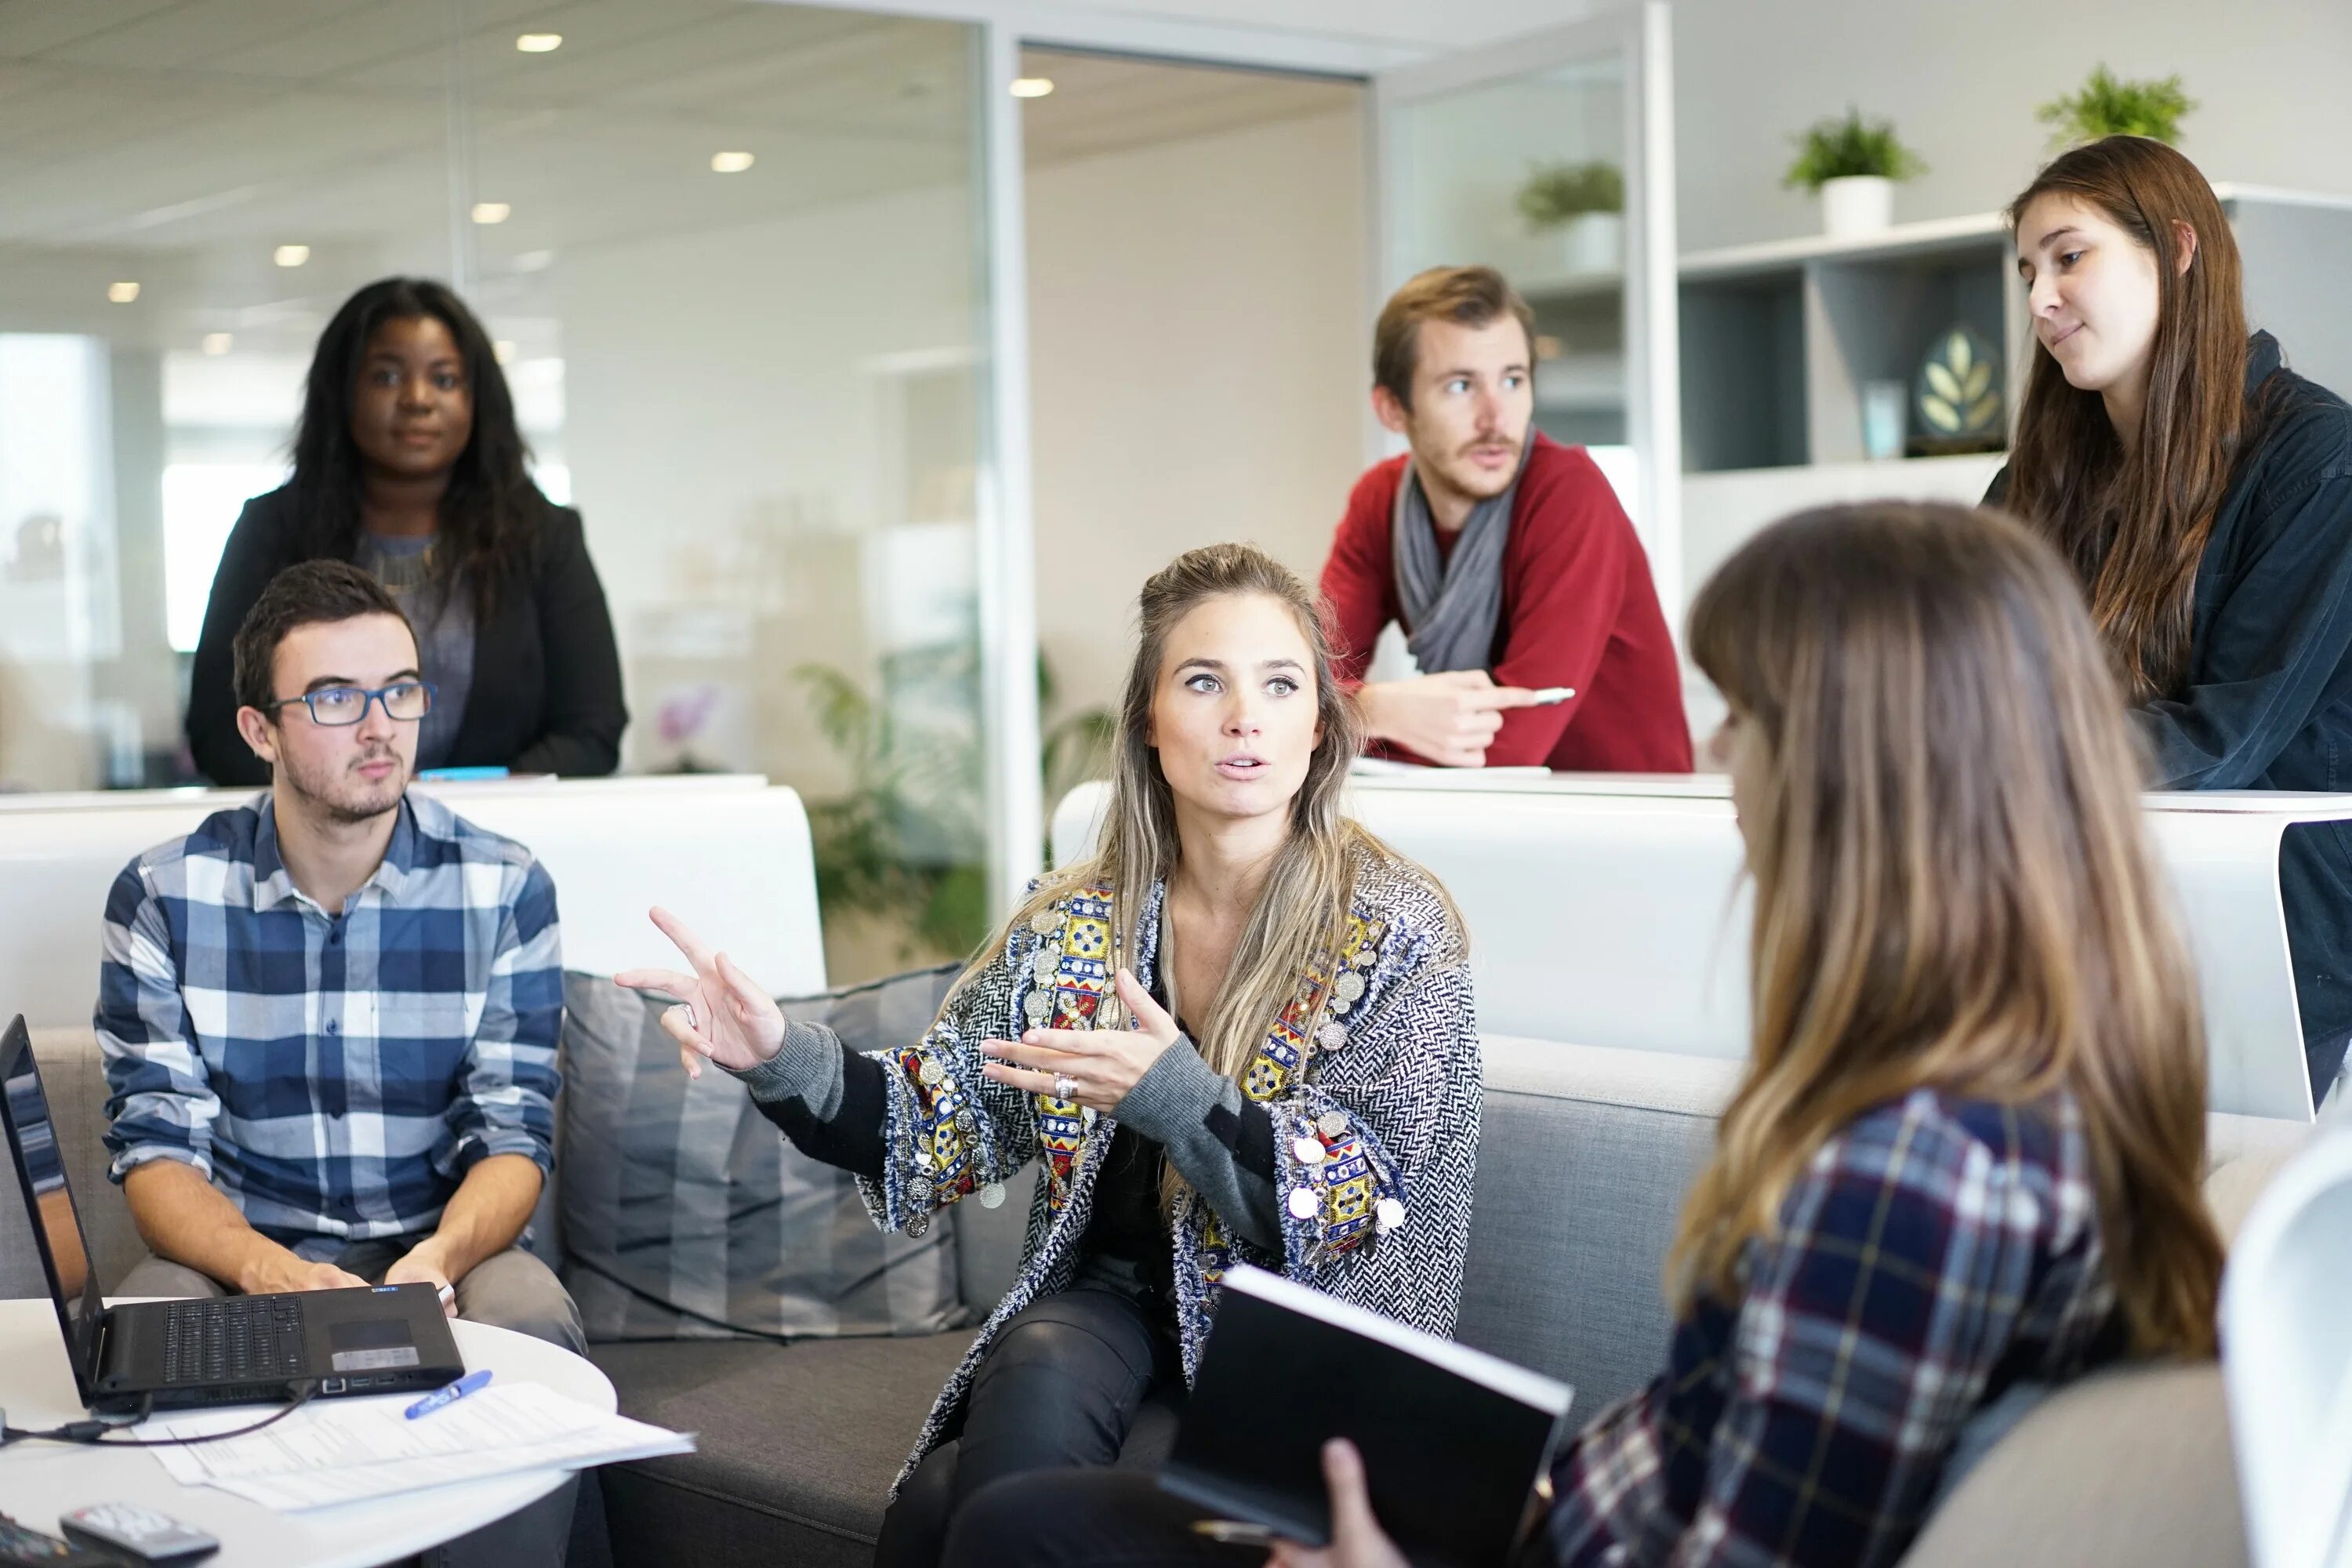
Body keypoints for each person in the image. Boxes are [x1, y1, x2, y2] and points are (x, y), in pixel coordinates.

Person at [953, 503, 2225, 1568]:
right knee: (1006, 1513)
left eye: (1749, 717)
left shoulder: (1910, 1174)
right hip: (1548, 1518)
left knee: (1022, 1535)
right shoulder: (2011, 1091)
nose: (1721, 756)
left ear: (1866, 772)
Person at [619, 543, 1481, 1566]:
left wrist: (1172, 1094)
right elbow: (928, 1121)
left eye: (1280, 684)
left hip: (1302, 1352)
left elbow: (1354, 1203)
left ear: (1319, 728)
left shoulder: (1396, 928)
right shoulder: (1079, 924)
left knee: (950, 1502)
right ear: (1151, 725)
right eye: (1204, 681)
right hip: (1112, 1308)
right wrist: (773, 1052)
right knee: (1032, 1367)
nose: (1245, 715)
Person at [101, 562, 583, 1563]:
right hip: (238, 1251)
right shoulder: (163, 895)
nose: (381, 725)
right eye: (334, 697)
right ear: (259, 730)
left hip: (442, 1247)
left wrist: (435, 1265)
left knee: (530, 1314)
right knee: (140, 1320)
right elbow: (156, 1153)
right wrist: (269, 1272)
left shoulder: (504, 887)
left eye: (400, 689)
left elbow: (513, 1132)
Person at [1991, 135, 2352, 1103]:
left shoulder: (2318, 458)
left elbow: (2225, 736)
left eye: (2070, 257)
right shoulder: (2033, 483)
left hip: (2274, 938)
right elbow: (1961, 678)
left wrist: (1988, 756)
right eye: (2029, 270)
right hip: (2079, 914)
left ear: (2179, 250)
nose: (2039, 300)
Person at [187, 277, 626, 786]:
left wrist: (460, 805)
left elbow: (593, 731)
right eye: (387, 378)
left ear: (477, 400)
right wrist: (355, 798)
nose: (418, 400)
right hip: (319, 850)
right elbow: (219, 732)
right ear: (342, 391)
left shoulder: (545, 538)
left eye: (444, 380)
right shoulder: (272, 532)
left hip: (500, 841)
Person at [1318, 265, 1690, 772]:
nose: (1496, 418)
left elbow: (1511, 745)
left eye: (1513, 380)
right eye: (1460, 386)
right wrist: (1376, 708)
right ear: (1392, 409)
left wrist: (1343, 719)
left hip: (1624, 822)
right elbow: (1300, 685)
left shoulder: (1569, 494)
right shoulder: (1379, 501)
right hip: (1487, 817)